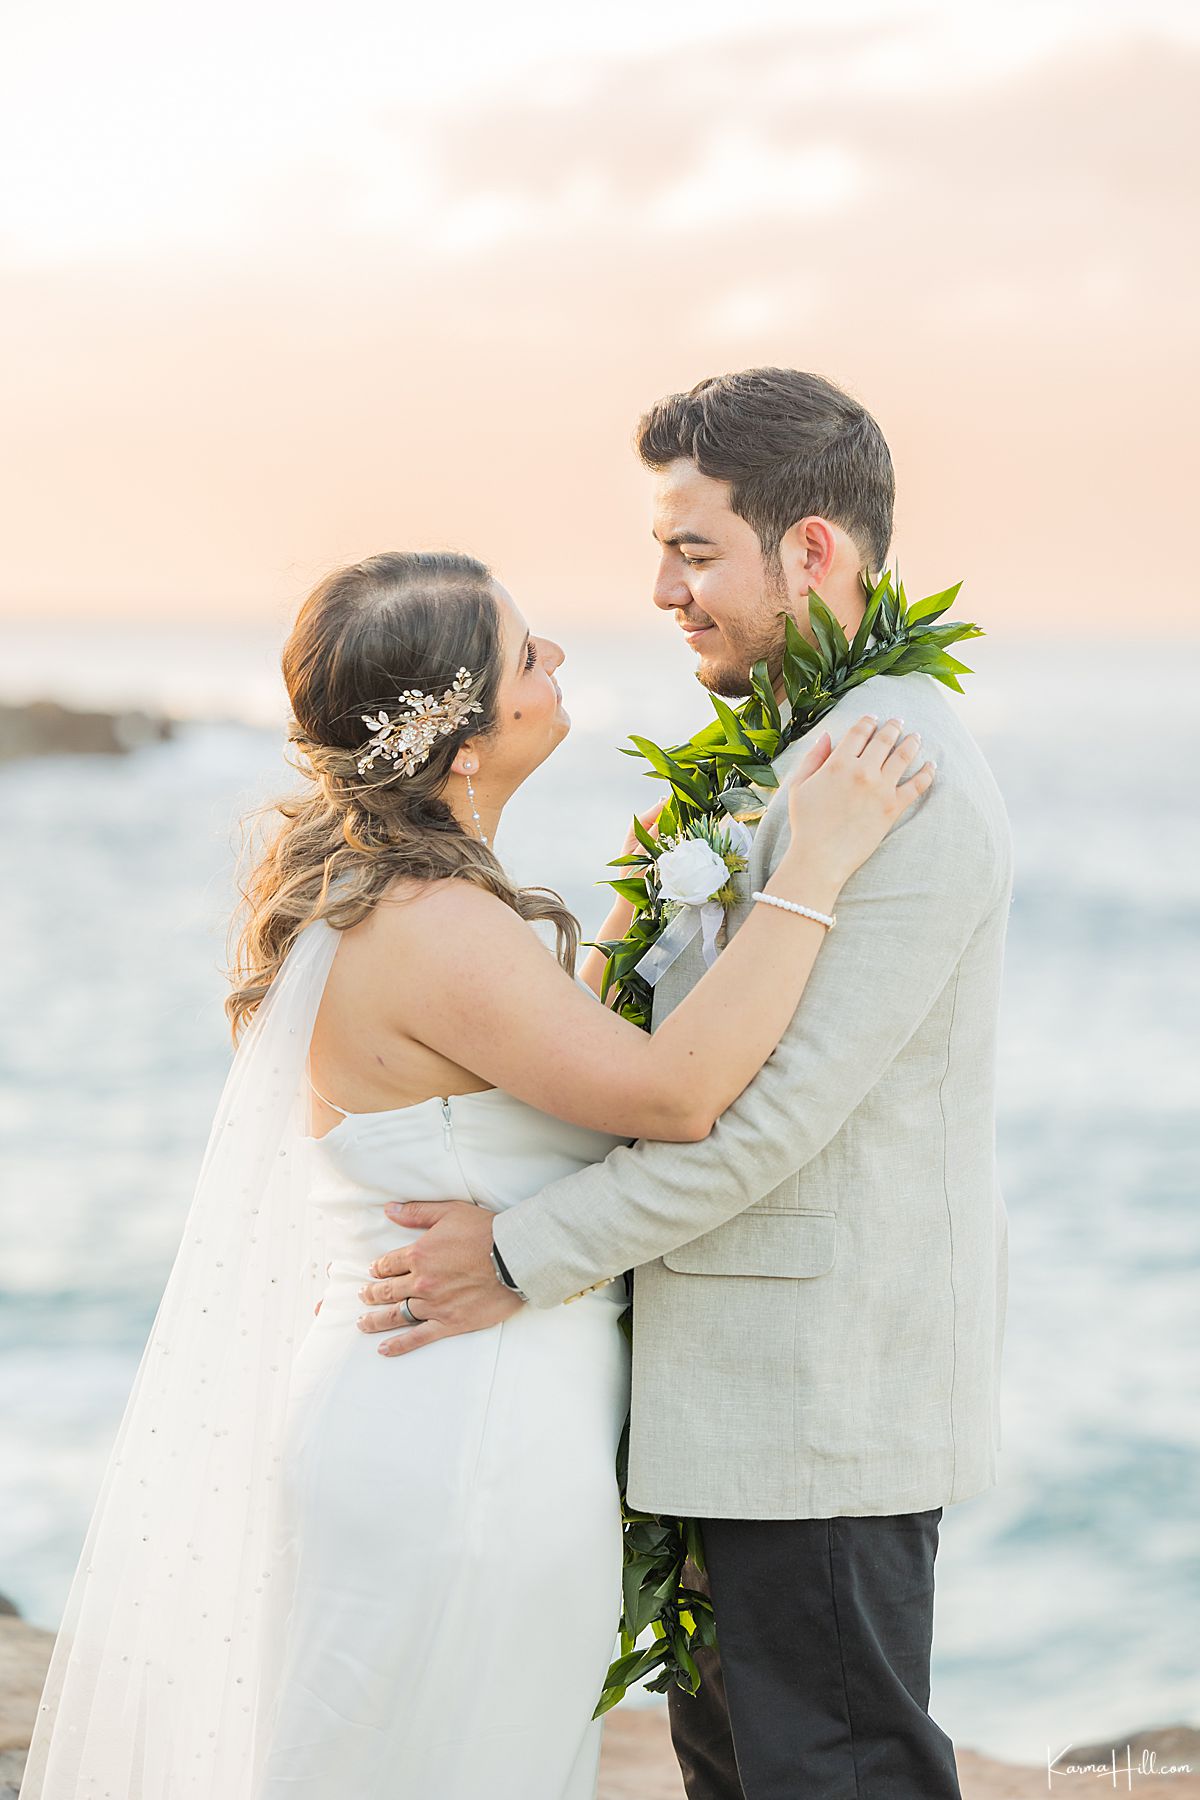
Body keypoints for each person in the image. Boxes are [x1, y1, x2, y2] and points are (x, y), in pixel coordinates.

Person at [19, 543, 931, 1800]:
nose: (556, 659)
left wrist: (644, 902)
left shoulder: (399, 904)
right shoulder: (437, 925)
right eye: (522, 653)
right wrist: (815, 868)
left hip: (437, 1414)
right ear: (459, 738)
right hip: (465, 1442)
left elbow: (545, 1073)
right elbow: (671, 1097)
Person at [356, 369, 1014, 1800]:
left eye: (696, 548)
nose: (660, 588)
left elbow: (766, 1128)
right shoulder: (776, 762)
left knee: (837, 1773)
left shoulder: (899, 770)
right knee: (744, 1773)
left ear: (815, 551)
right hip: (720, 1405)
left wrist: (519, 1259)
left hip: (817, 1409)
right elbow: (649, 1062)